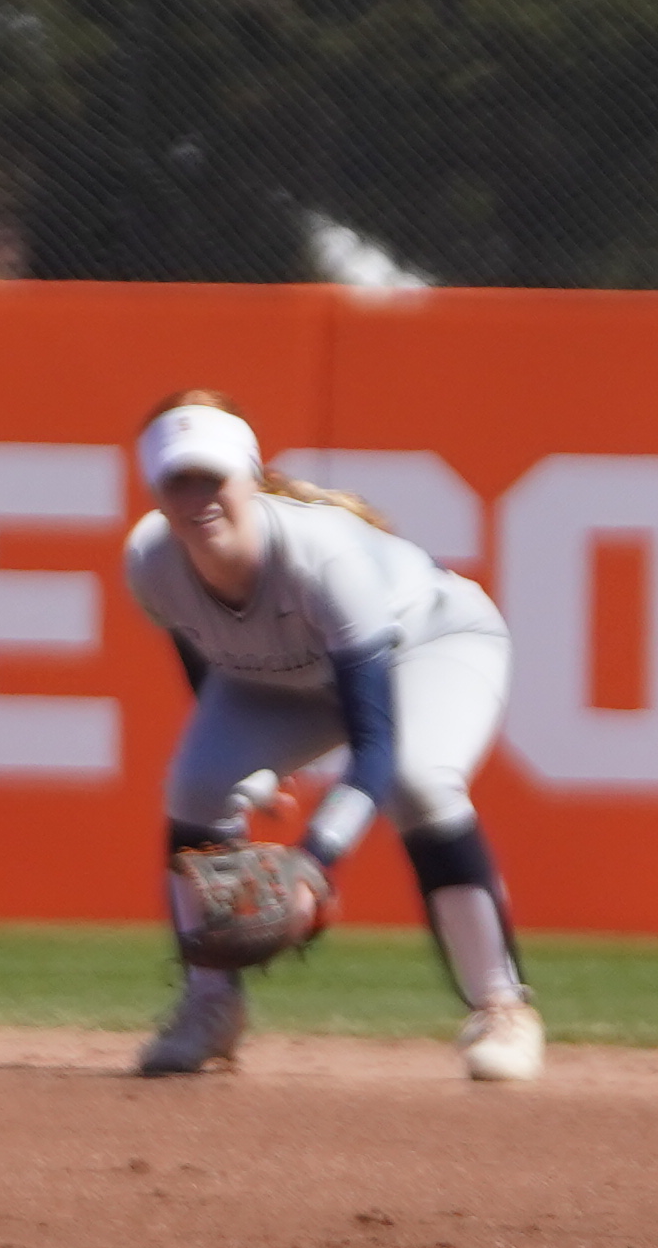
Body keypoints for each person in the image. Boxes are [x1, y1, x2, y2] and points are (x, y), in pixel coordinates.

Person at [121, 392, 541, 1084]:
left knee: (417, 779)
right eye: (178, 481)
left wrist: (315, 862)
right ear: (156, 494)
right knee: (195, 783)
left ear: (249, 480)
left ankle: (503, 1007)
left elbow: (372, 741)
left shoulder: (322, 558)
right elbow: (204, 644)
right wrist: (256, 770)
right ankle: (210, 1007)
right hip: (284, 675)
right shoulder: (151, 561)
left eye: (212, 477)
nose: (197, 498)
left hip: (428, 645)